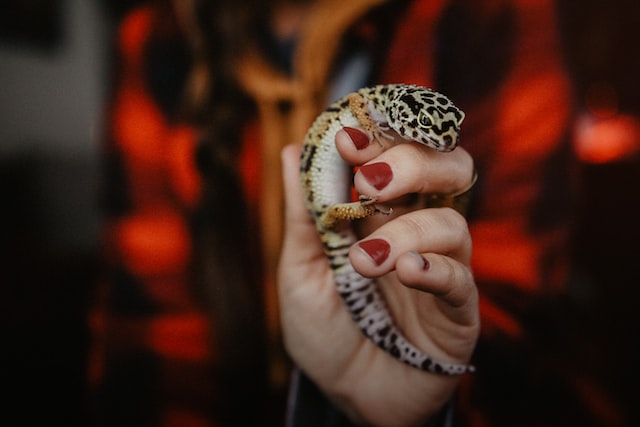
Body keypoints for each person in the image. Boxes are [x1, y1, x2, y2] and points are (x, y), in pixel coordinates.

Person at [90, 0, 609, 426]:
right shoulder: (159, 39)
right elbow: (155, 346)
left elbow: (515, 305)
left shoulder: (489, 14)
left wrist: (434, 400)